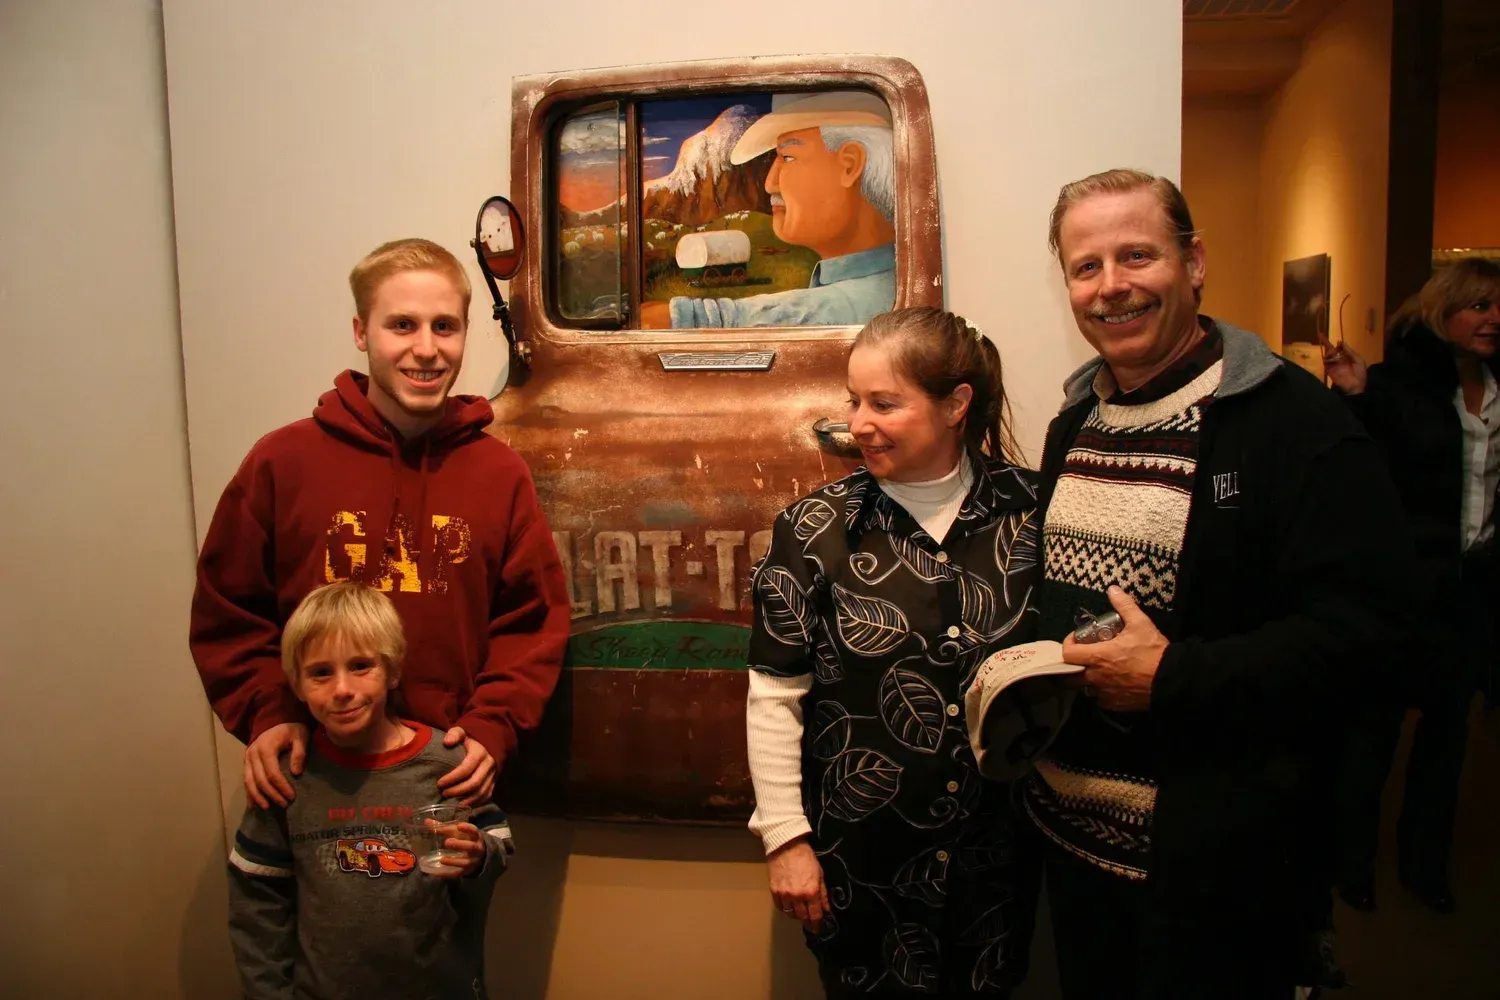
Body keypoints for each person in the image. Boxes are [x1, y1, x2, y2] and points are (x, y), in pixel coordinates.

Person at [1023, 168, 1408, 998]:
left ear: (1194, 262)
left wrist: (1173, 678)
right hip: (1077, 852)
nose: (1111, 287)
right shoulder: (1073, 425)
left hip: (1222, 870)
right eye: (1086, 267)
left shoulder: (1298, 428)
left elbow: (1370, 636)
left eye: (1137, 255)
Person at [190, 237, 571, 812]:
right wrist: (267, 714)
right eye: (402, 325)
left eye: (445, 327)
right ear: (361, 333)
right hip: (311, 777)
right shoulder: (282, 463)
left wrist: (493, 727)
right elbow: (230, 613)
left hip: (448, 782)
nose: (426, 349)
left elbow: (532, 623)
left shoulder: (499, 473)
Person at [746, 307, 1042, 996]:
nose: (859, 423)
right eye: (854, 401)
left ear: (955, 405)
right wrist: (786, 840)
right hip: (861, 863)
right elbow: (774, 694)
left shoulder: (1031, 513)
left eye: (884, 403)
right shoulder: (815, 528)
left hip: (996, 863)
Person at [228, 582, 509, 999]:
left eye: (361, 666)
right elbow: (256, 903)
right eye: (321, 673)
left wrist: (480, 853)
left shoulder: (446, 763)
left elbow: (499, 843)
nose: (342, 689)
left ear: (393, 671)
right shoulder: (287, 779)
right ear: (297, 685)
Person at [1324, 258, 1500, 914]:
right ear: (1443, 311)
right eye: (1479, 306)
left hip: (1470, 591)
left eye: (1498, 307)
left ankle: (1427, 865)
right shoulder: (1398, 386)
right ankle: (1351, 863)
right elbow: (1363, 468)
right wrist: (1355, 394)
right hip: (1403, 591)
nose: (1492, 320)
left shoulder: (1497, 387)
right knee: (1373, 732)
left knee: (1447, 736)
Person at [639, 91, 896, 329]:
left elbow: (816, 311)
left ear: (850, 165)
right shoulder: (882, 283)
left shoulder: (863, 302)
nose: (769, 182)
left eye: (787, 158)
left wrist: (678, 318)